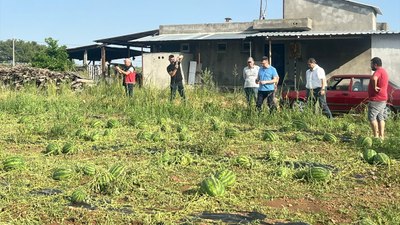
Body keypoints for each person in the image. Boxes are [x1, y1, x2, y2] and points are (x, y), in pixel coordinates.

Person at [368, 57, 389, 139]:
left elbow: (374, 78)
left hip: (376, 99)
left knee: (372, 118)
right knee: (381, 118)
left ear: (375, 65)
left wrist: (375, 86)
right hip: (382, 99)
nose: (371, 66)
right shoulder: (384, 71)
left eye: (371, 64)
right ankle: (381, 137)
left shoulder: (378, 71)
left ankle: (376, 136)